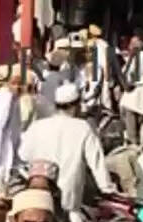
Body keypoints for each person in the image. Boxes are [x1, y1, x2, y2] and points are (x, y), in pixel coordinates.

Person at [18, 82, 114, 213]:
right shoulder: (83, 128)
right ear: (74, 105)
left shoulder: (37, 126)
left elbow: (22, 156)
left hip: (38, 198)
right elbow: (97, 163)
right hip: (68, 201)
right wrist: (108, 190)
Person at [119, 35, 143, 146]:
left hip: (133, 101)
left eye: (133, 43)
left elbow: (130, 78)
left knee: (132, 137)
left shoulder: (140, 57)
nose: (129, 46)